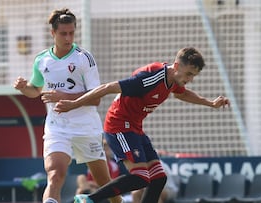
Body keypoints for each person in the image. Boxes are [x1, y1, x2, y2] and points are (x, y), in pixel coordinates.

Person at [54, 47, 230, 203]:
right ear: (176, 66)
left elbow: (182, 94)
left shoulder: (173, 80)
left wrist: (211, 103)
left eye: (194, 75)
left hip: (135, 128)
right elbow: (107, 87)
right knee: (140, 178)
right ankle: (87, 200)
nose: (190, 79)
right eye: (189, 74)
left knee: (159, 178)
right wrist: (73, 104)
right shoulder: (150, 78)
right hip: (119, 126)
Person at [13, 8, 122, 203]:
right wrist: (24, 88)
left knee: (104, 181)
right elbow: (35, 90)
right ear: (52, 33)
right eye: (63, 33)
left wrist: (66, 97)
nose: (68, 38)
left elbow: (96, 97)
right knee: (55, 175)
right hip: (58, 128)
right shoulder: (42, 60)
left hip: (85, 127)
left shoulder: (84, 58)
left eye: (72, 33)